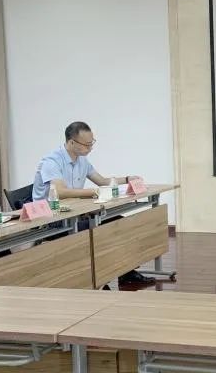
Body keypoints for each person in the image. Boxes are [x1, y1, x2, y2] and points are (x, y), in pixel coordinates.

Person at [32, 121, 153, 286]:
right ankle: (98, 280)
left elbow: (102, 181)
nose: (90, 148)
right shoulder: (51, 161)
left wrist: (127, 179)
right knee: (100, 230)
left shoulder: (82, 160)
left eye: (92, 143)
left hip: (74, 213)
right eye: (86, 144)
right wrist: (92, 192)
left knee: (118, 222)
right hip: (51, 220)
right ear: (72, 142)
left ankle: (125, 272)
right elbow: (59, 192)